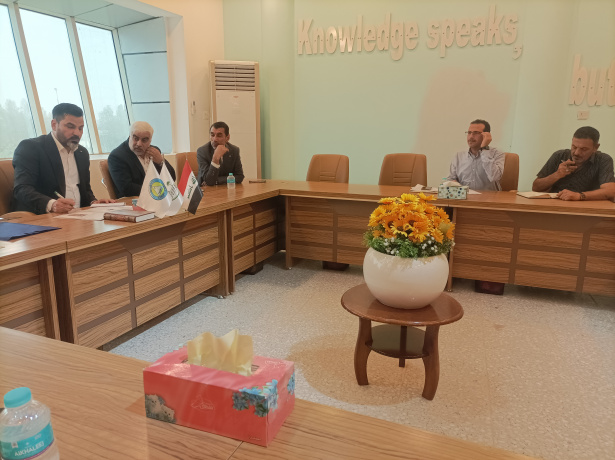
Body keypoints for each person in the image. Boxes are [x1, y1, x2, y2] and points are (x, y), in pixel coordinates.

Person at [12, 103, 113, 214]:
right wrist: (52, 205)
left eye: (81, 128)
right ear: (54, 125)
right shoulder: (31, 148)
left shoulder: (82, 153)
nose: (77, 133)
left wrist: (94, 202)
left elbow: (85, 190)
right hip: (44, 217)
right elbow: (22, 189)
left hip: (79, 215)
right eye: (70, 126)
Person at [532, 126, 615, 201]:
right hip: (556, 204)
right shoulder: (559, 155)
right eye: (574, 147)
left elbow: (610, 191)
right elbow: (536, 188)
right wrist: (557, 174)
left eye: (584, 149)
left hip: (586, 206)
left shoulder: (603, 160)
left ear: (595, 147)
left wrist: (579, 196)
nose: (576, 153)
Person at [108, 121, 176, 198]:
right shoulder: (117, 156)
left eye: (144, 140)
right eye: (136, 138)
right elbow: (127, 188)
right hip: (134, 200)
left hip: (159, 197)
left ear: (150, 141)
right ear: (130, 137)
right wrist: (156, 191)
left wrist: (161, 162)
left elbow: (172, 178)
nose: (139, 144)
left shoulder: (154, 151)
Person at [446, 119, 505, 191]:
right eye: (469, 133)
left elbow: (494, 177)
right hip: (465, 196)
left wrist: (484, 149)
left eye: (476, 133)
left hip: (489, 197)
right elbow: (450, 179)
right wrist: (452, 183)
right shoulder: (458, 156)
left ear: (486, 135)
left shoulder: (497, 154)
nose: (471, 137)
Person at [197, 121, 244, 186]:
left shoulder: (234, 150)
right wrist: (215, 159)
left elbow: (239, 177)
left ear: (227, 138)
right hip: (206, 190)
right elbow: (209, 181)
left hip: (225, 188)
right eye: (212, 135)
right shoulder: (202, 151)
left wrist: (217, 181)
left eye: (219, 136)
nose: (215, 139)